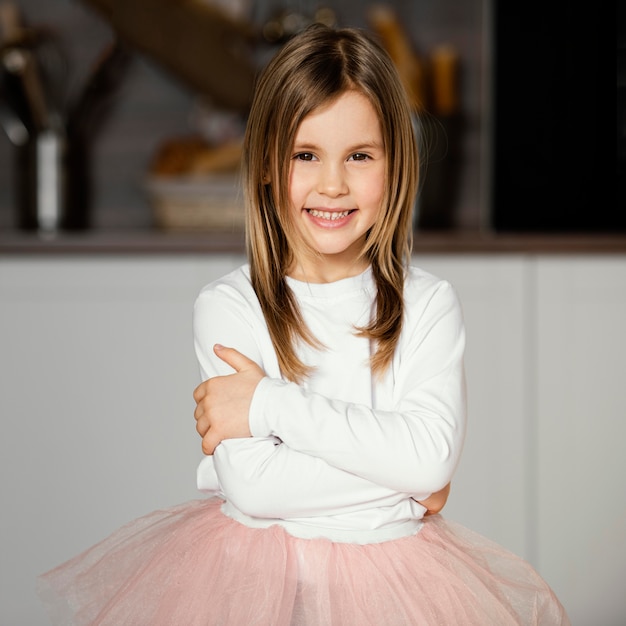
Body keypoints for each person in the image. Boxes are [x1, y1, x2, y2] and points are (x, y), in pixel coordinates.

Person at [38, 24, 570, 625]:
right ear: (267, 165)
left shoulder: (428, 303)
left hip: (396, 593)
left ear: (395, 165)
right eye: (305, 155)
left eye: (360, 156)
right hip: (257, 590)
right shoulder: (231, 306)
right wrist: (405, 482)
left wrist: (266, 404)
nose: (333, 185)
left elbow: (429, 459)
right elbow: (259, 488)